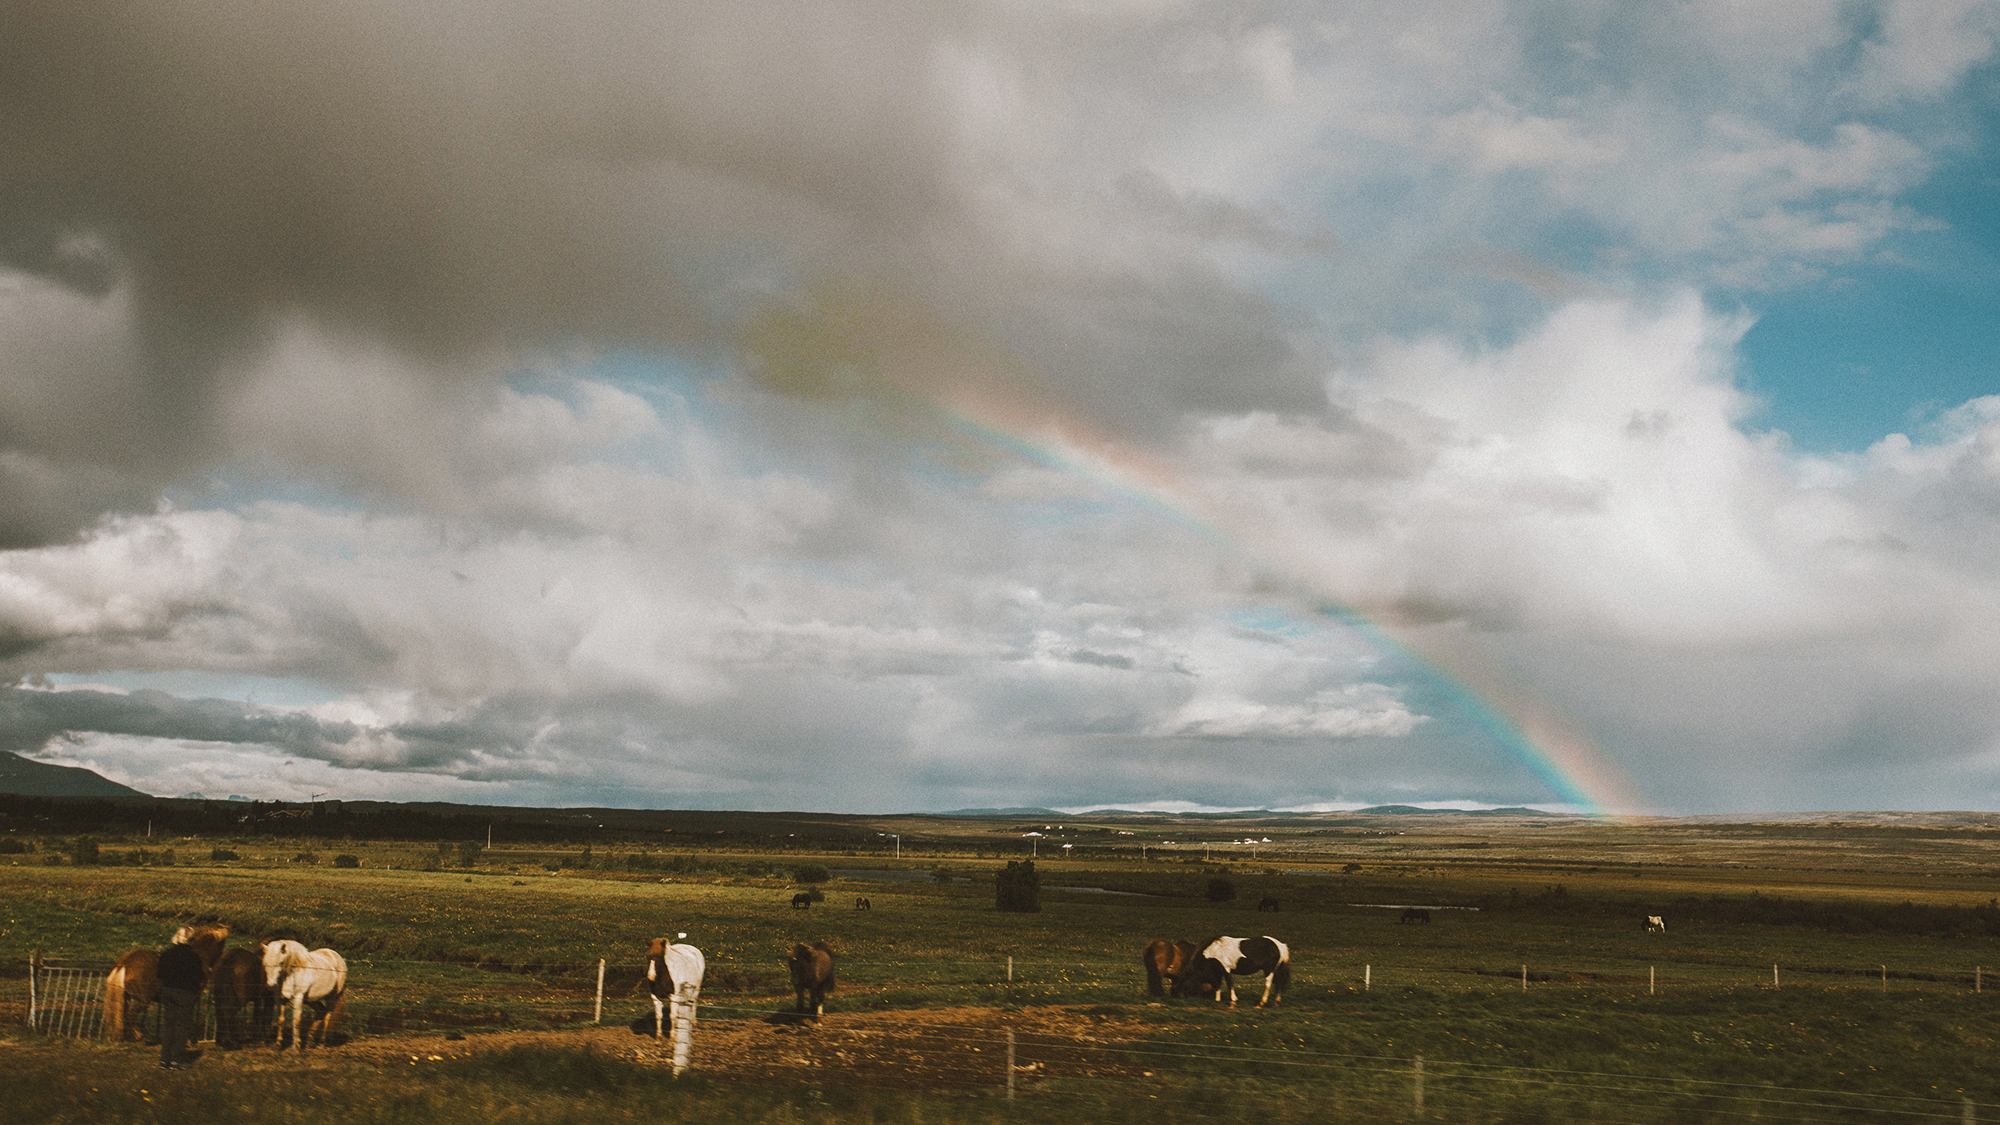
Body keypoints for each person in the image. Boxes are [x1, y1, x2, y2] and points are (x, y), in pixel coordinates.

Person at [155, 935, 205, 1070]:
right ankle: (176, 1060)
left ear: (176, 939)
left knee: (169, 1024)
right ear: (191, 940)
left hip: (167, 992)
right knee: (182, 1026)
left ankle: (164, 1059)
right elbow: (199, 976)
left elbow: (160, 974)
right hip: (186, 994)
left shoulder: (166, 954)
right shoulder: (194, 957)